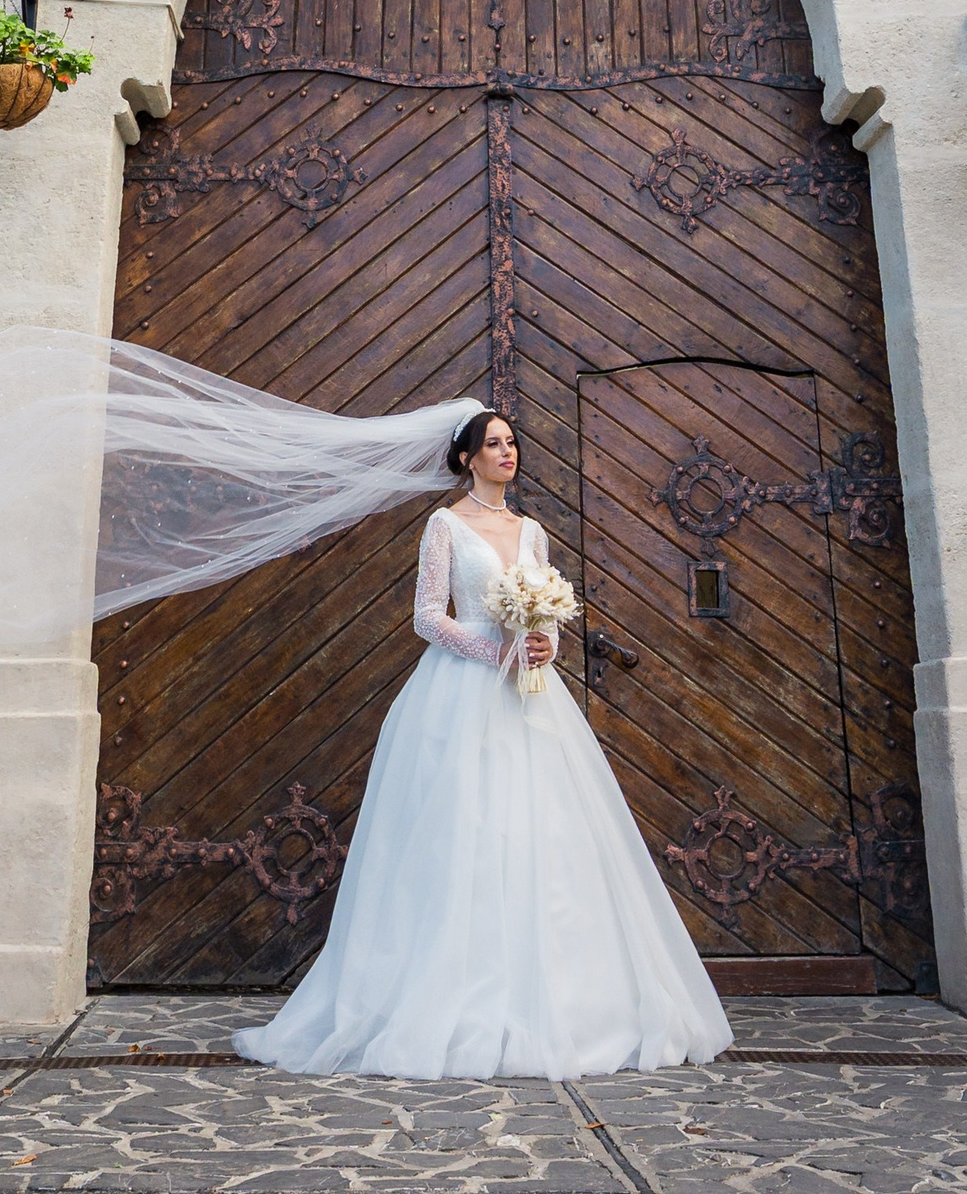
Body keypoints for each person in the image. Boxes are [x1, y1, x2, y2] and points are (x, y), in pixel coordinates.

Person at [234, 410, 732, 1080]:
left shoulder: (532, 532)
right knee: (460, 834)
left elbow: (548, 617)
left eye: (511, 442)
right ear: (467, 458)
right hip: (459, 695)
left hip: (530, 698)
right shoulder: (445, 526)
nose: (507, 451)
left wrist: (543, 644)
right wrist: (491, 649)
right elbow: (427, 616)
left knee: (542, 835)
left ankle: (565, 998)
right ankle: (446, 995)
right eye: (494, 444)